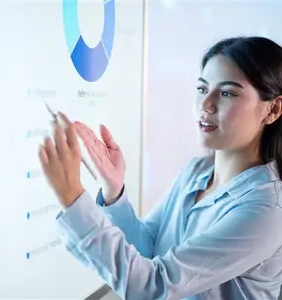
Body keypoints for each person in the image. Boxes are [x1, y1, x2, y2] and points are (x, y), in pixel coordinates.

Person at [38, 36, 282, 300]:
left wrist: (73, 197)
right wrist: (113, 192)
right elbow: (149, 250)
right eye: (202, 89)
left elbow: (154, 286)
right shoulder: (196, 171)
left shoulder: (267, 210)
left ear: (273, 109)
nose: (206, 104)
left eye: (227, 93)